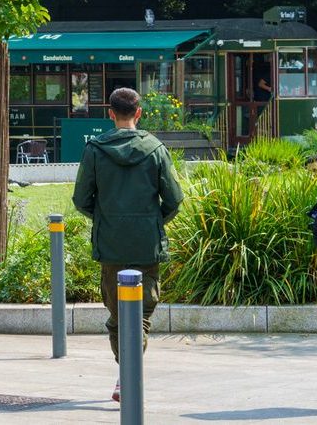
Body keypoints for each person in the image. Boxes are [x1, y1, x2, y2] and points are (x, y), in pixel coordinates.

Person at [73, 87, 183, 403]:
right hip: (146, 245)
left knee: (117, 317)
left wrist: (107, 218)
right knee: (141, 314)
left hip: (110, 246)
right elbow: (174, 199)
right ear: (139, 112)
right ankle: (127, 376)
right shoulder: (156, 149)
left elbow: (82, 199)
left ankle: (126, 375)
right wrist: (151, 220)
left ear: (110, 113)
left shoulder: (95, 150)